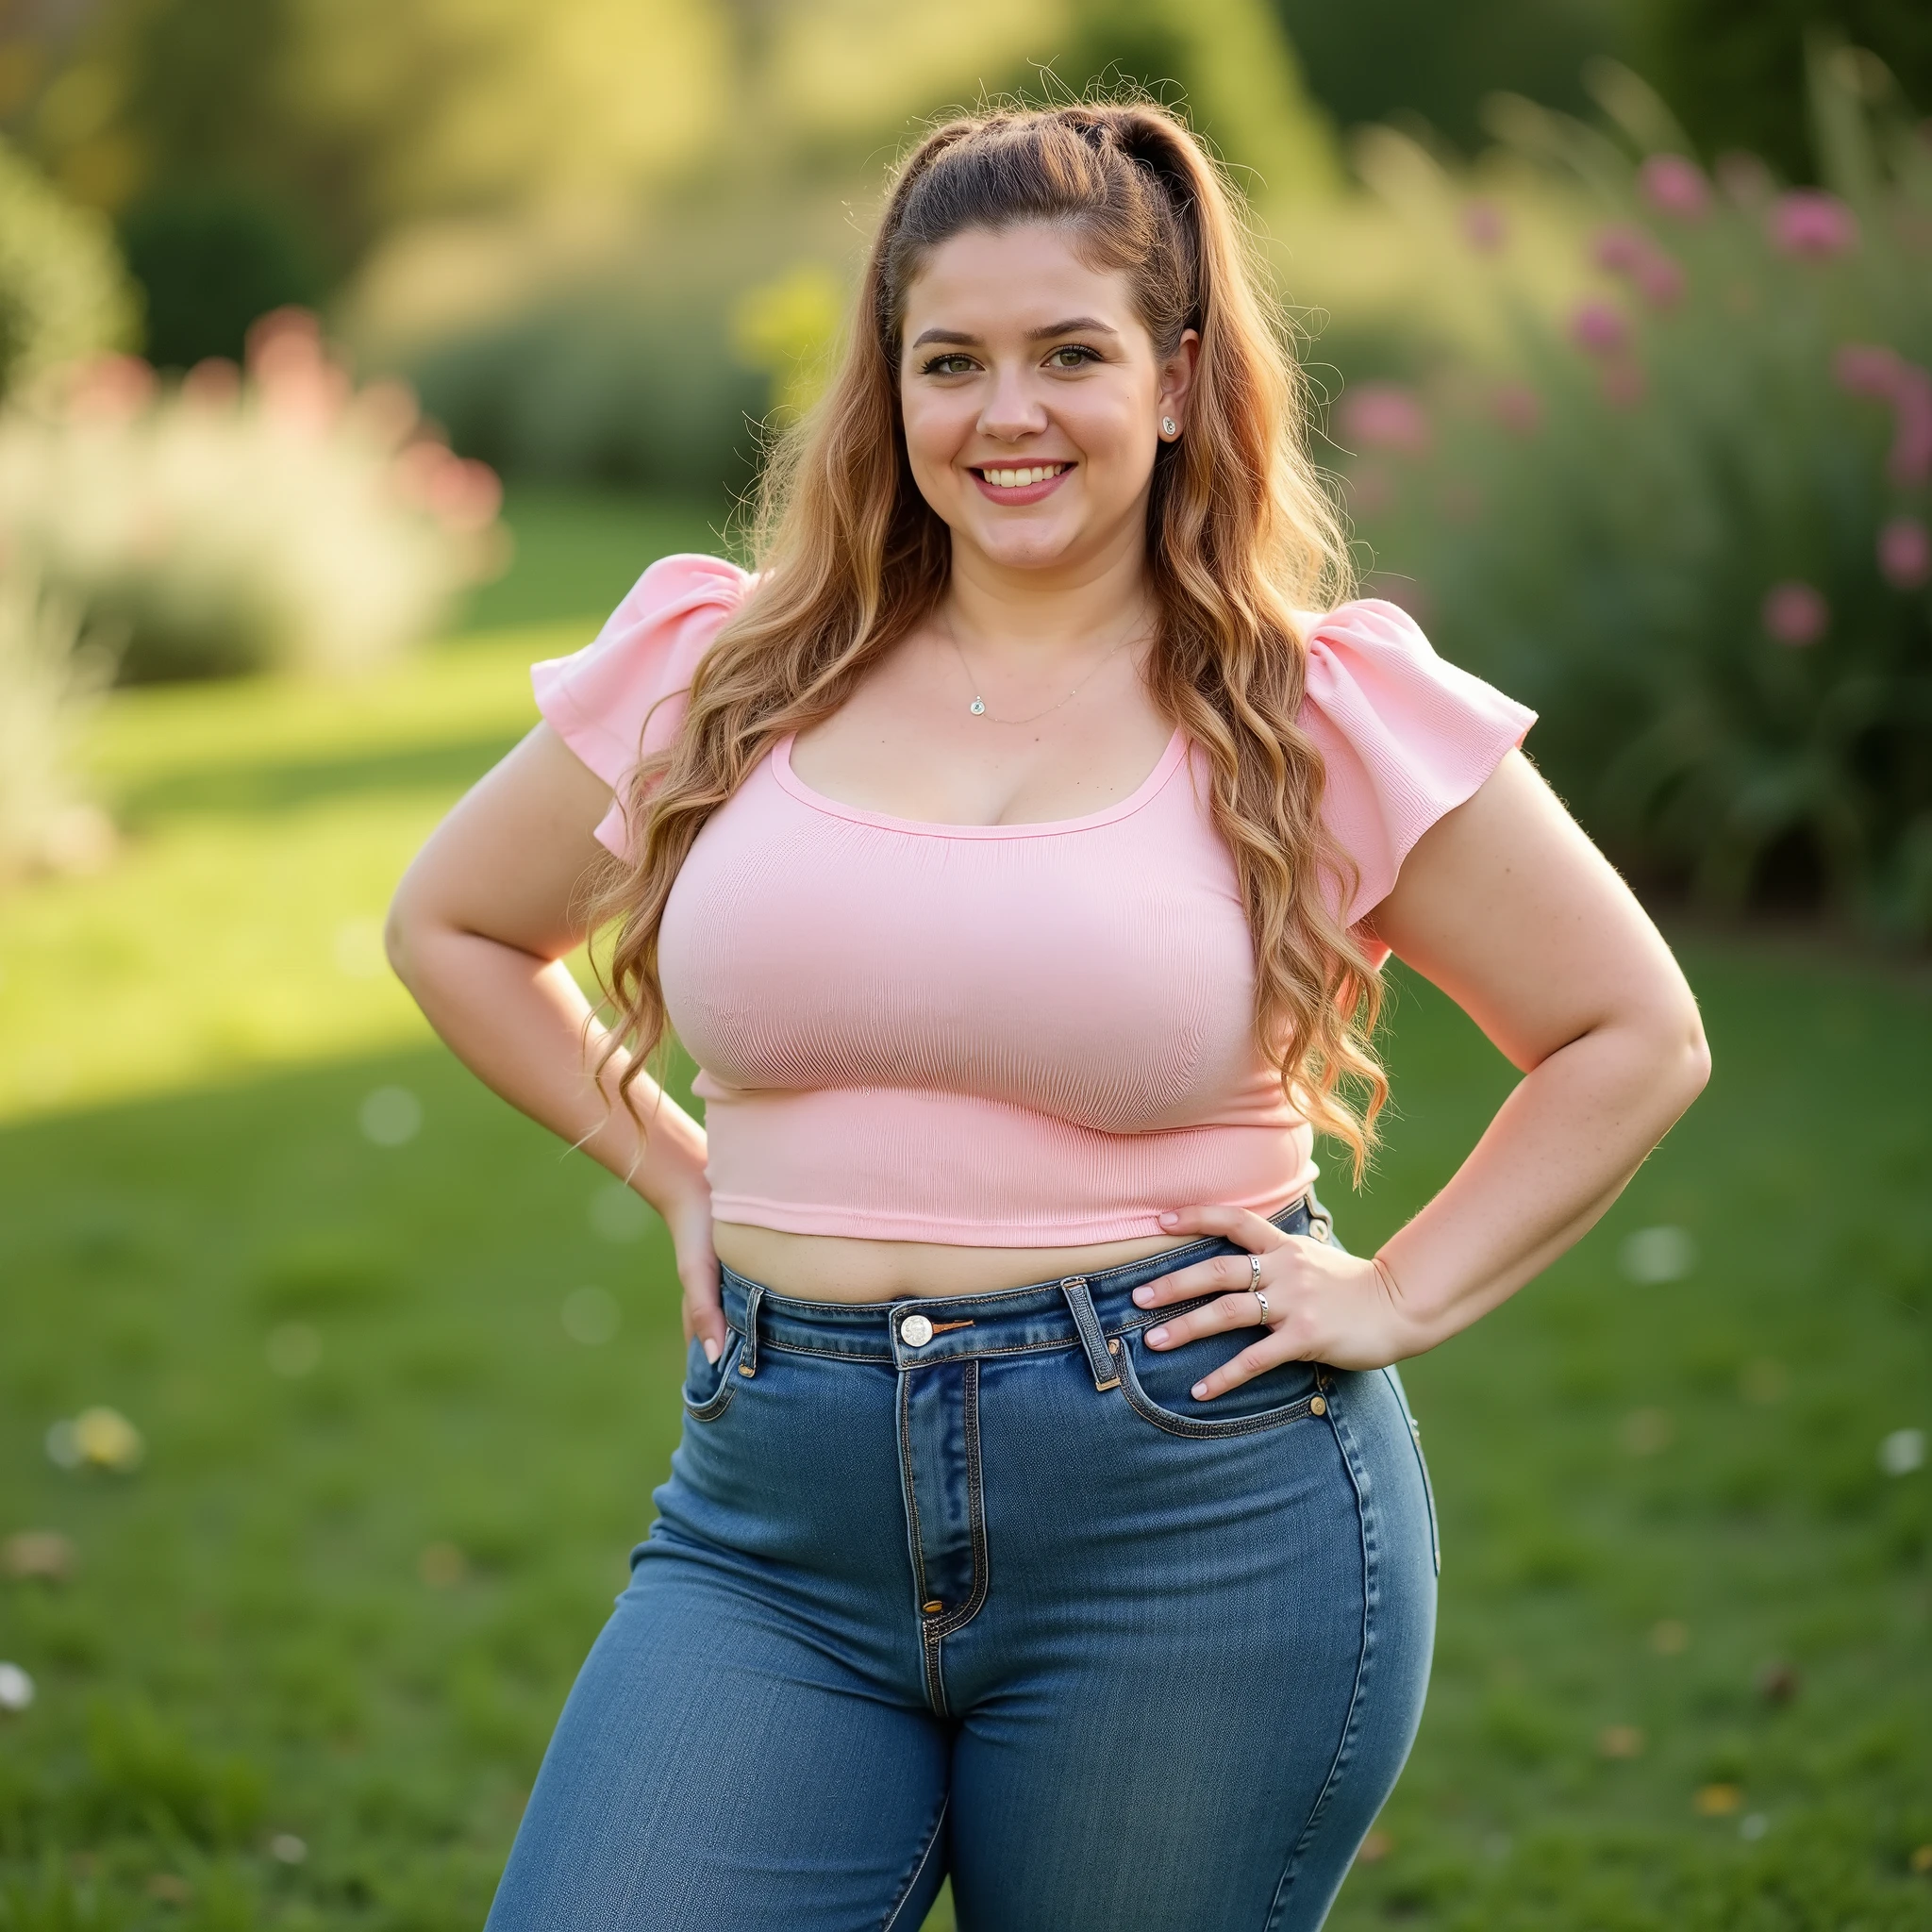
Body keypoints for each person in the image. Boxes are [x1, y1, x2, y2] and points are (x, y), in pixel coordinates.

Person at [386, 100, 1709, 1932]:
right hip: (774, 1518)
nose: (1005, 415)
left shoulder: (1312, 712)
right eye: (952, 362)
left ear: (1174, 379)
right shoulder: (726, 667)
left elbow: (1629, 1028)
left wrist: (1390, 1294)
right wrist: (680, 1173)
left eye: (1067, 354)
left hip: (1195, 1521)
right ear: (891, 386)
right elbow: (450, 921)